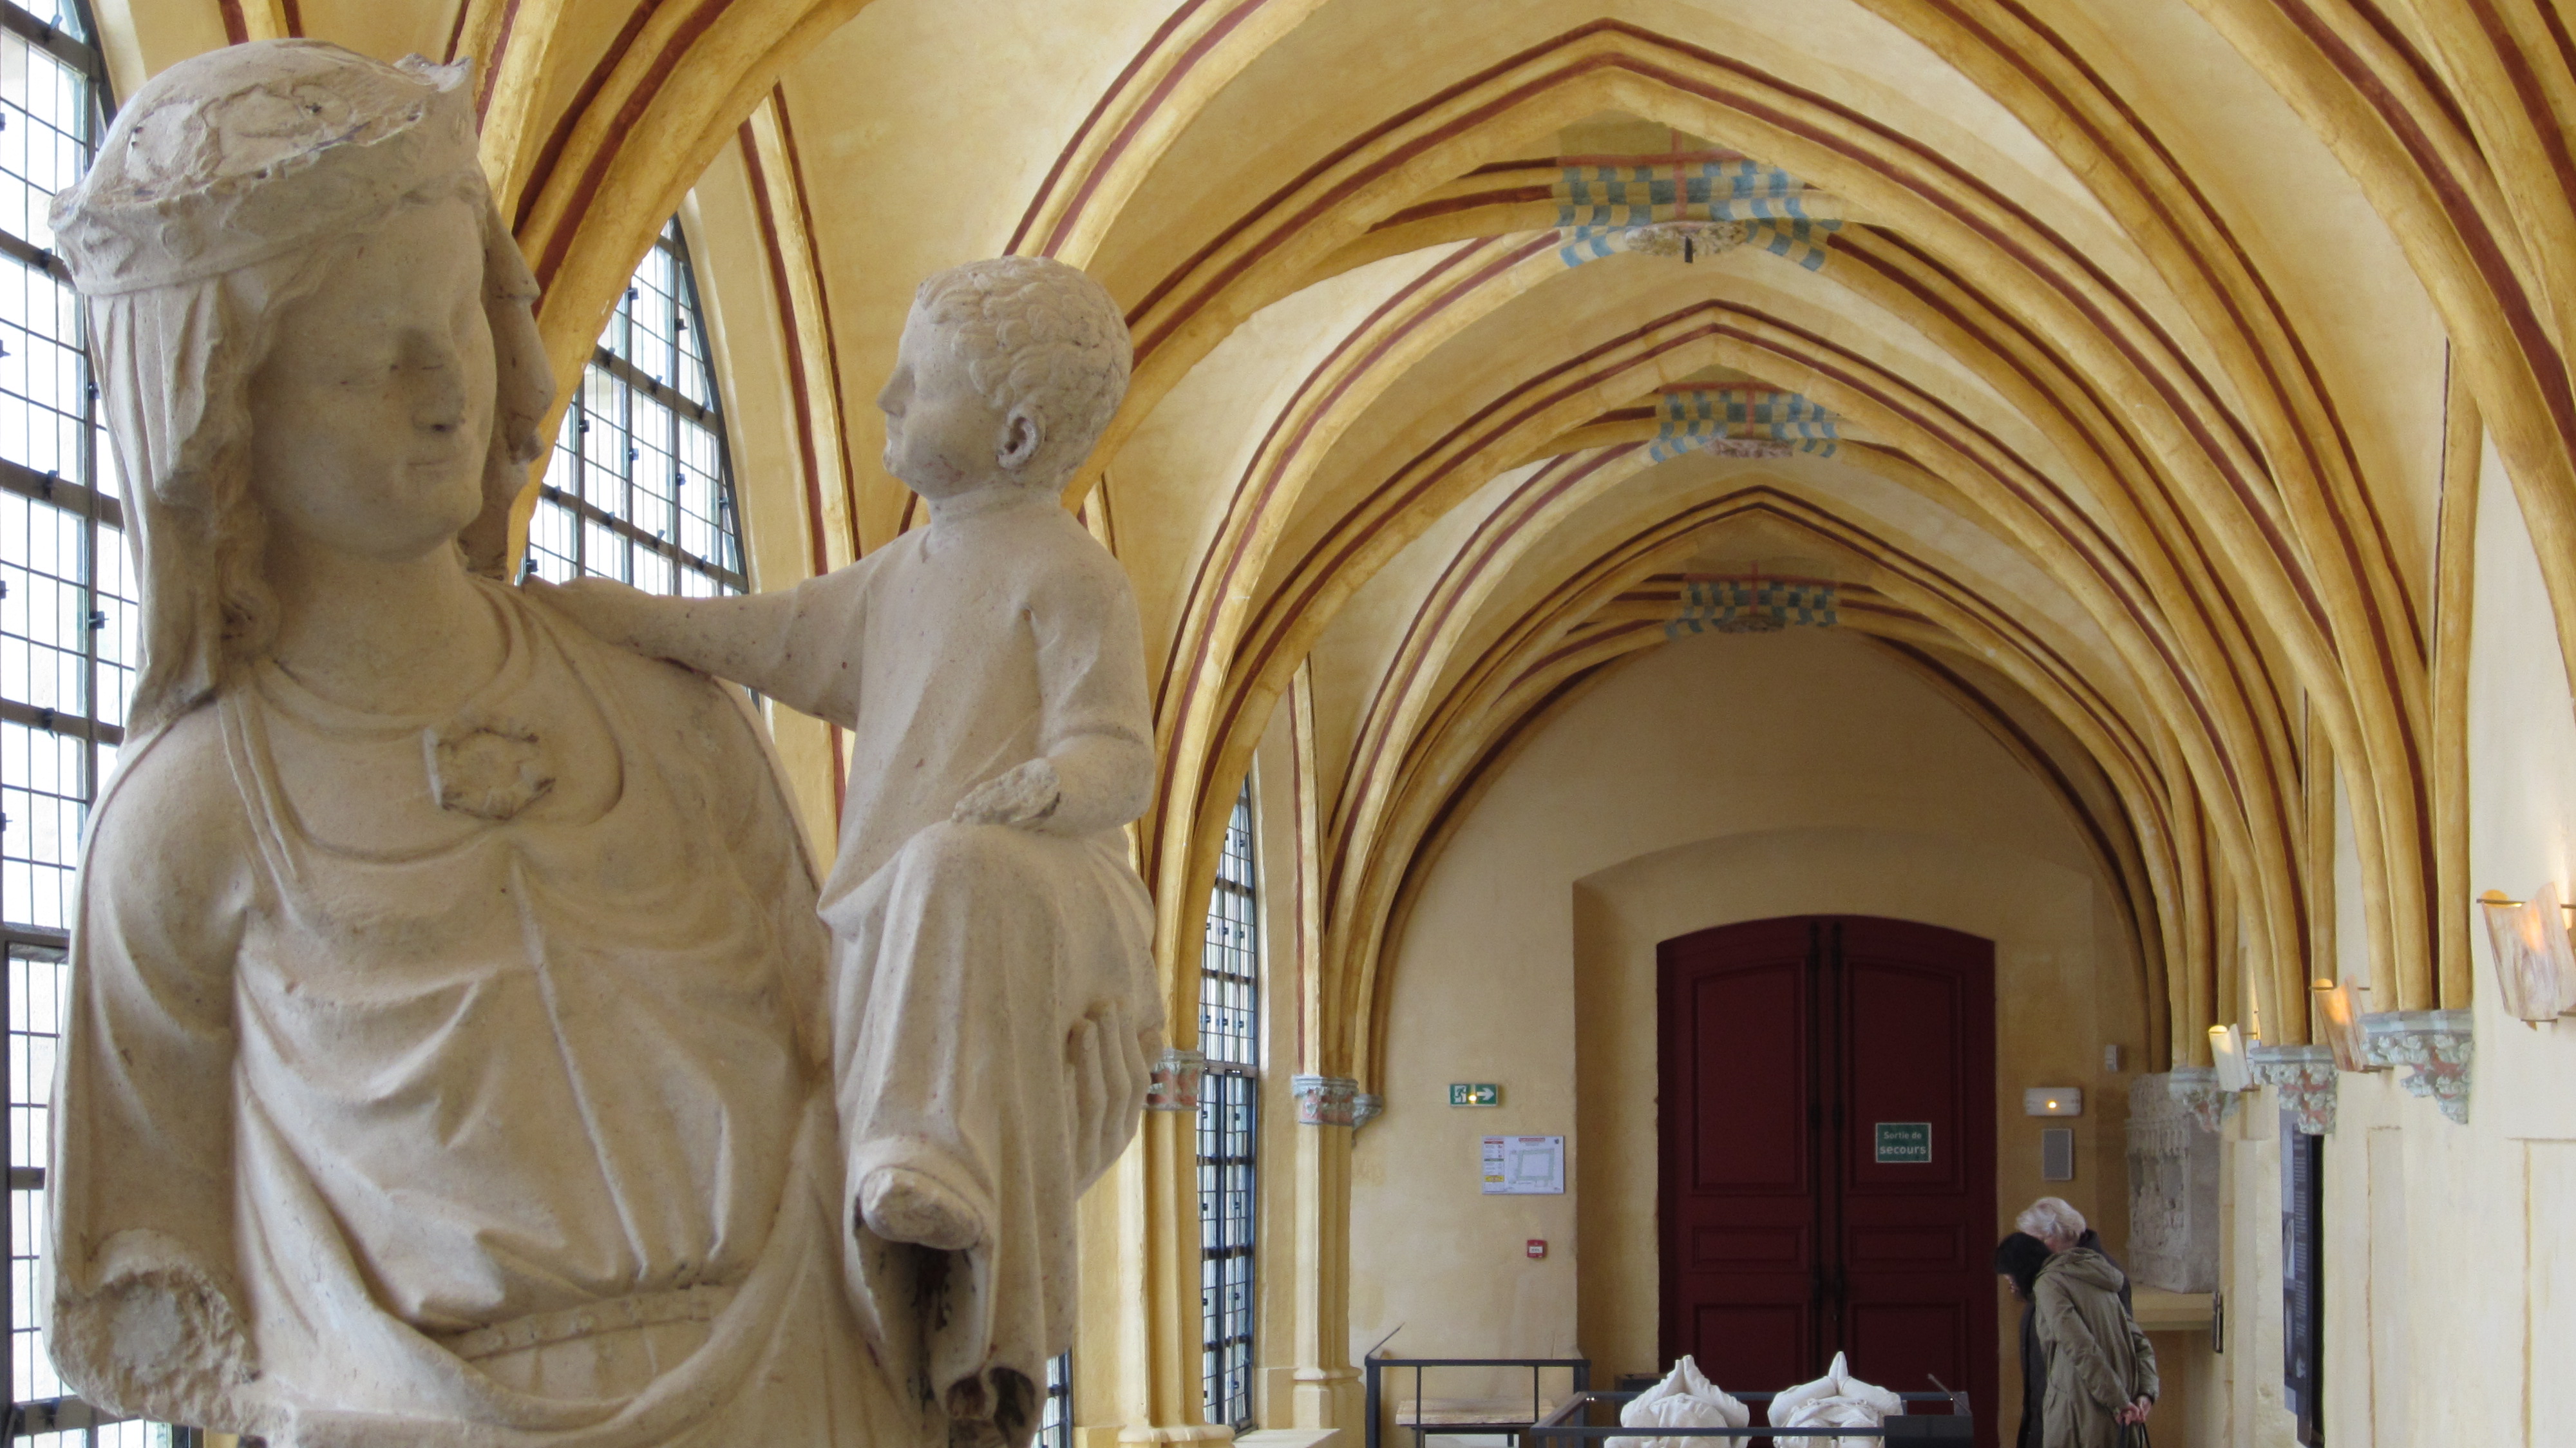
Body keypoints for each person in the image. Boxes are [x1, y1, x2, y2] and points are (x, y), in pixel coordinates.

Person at [42, 41, 1146, 1448]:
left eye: (455, 318)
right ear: (223, 419)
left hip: (803, 1389)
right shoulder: (188, 816)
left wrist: (1031, 1086)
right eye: (368, 361)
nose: (446, 388)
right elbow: (162, 1278)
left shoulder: (662, 712)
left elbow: (859, 1064)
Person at [531, 252, 1163, 1438]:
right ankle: (916, 1265)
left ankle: (933, 1165)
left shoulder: (1070, 576)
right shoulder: (897, 579)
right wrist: (617, 617)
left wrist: (1044, 785)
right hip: (906, 910)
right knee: (928, 874)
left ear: (1017, 436)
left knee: (951, 864)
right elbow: (766, 636)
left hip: (1053, 890)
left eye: (921, 382)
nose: (888, 398)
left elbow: (1119, 757)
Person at [2016, 1199, 2157, 1447]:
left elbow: (2088, 1347)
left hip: (2078, 1418)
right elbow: (2137, 1342)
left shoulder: (2062, 1279)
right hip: (2071, 1411)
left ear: (2047, 1241)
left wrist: (2129, 1399)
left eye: (2029, 1242)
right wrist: (2145, 1394)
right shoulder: (2080, 1273)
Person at [1993, 1231, 2051, 1448]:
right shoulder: (2037, 1303)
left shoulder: (2052, 1301)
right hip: (2042, 1416)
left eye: (2012, 1281)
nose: (2013, 1289)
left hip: (2054, 1418)